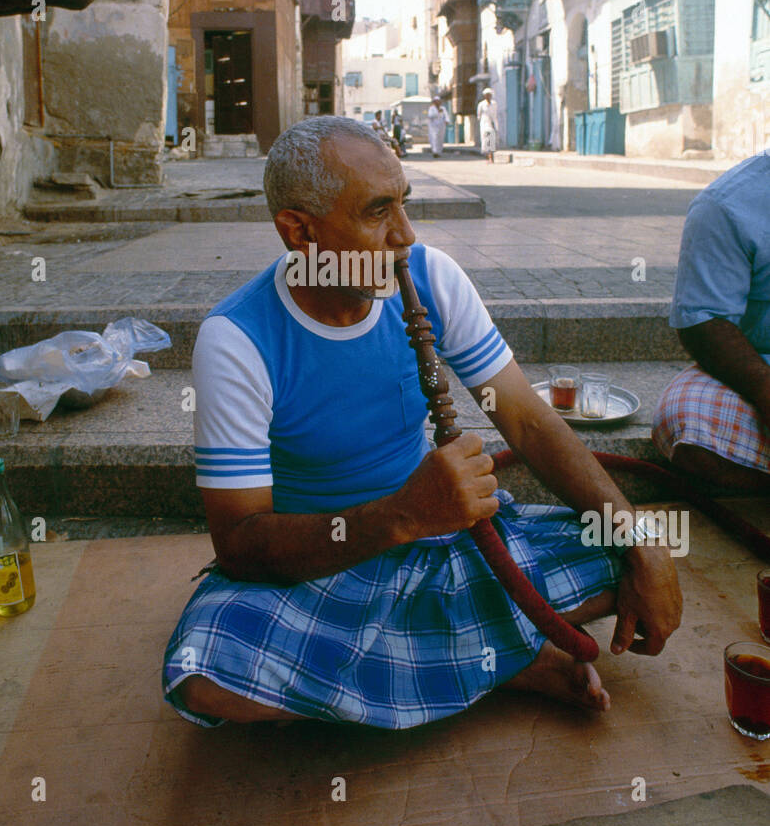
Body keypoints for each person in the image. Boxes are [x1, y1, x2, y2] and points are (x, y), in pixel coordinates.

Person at [162, 116, 681, 730]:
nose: (405, 236)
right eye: (377, 213)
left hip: (448, 544)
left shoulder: (432, 277)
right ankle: (509, 658)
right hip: (319, 571)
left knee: (622, 552)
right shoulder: (237, 341)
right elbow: (242, 545)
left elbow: (527, 421)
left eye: (404, 204)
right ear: (299, 233)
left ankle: (452, 664)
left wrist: (640, 543)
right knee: (205, 672)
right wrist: (403, 515)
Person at [652, 152, 770, 493]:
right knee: (687, 419)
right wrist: (764, 390)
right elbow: (704, 322)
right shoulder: (725, 205)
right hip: (759, 370)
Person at [477, 88, 498, 163]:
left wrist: (495, 124)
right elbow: (478, 115)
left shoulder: (494, 104)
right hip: (484, 123)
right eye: (487, 95)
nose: (488, 96)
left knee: (491, 139)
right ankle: (487, 156)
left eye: (489, 95)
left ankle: (491, 157)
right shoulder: (481, 104)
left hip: (492, 123)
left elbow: (495, 115)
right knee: (485, 140)